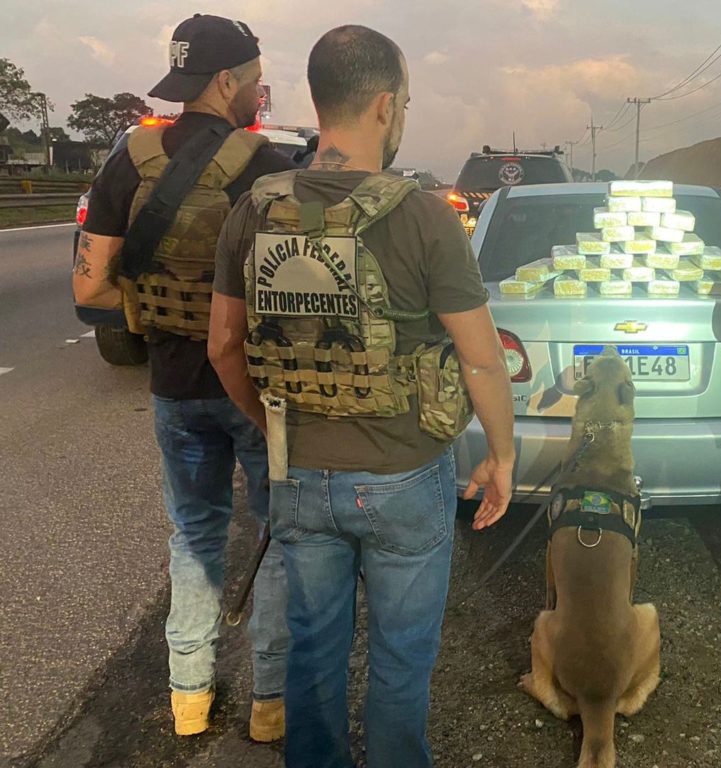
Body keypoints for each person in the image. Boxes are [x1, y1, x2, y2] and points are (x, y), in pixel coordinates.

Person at [208, 25, 516, 768]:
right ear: (384, 105)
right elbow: (481, 360)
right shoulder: (424, 216)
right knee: (401, 660)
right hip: (404, 473)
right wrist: (502, 456)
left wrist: (272, 428)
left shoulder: (255, 209)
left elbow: (222, 345)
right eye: (404, 103)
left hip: (299, 473)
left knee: (314, 656)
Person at [75, 14, 293, 740]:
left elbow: (91, 288)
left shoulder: (129, 161)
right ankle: (270, 703)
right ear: (227, 81)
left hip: (173, 387)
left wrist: (158, 310)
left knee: (194, 535)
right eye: (255, 80)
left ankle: (189, 699)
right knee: (276, 534)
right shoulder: (265, 168)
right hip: (254, 388)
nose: (259, 92)